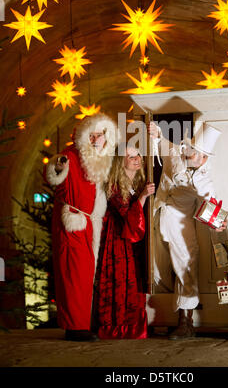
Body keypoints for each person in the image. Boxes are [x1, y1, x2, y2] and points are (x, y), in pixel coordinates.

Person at [149, 121, 228, 340]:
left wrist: (218, 223)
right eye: (190, 148)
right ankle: (159, 317)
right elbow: (160, 141)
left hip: (181, 226)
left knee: (186, 268)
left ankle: (186, 322)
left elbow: (210, 208)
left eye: (195, 152)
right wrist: (155, 132)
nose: (189, 152)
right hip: (157, 219)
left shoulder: (204, 181)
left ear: (204, 158)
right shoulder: (176, 153)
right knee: (156, 269)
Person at [44, 113, 119, 341]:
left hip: (90, 224)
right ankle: (75, 328)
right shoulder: (71, 155)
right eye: (93, 135)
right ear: (85, 136)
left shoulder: (100, 160)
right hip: (73, 222)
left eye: (101, 135)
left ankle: (81, 323)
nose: (97, 139)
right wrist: (58, 166)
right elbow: (56, 173)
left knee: (85, 275)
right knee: (73, 274)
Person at [94, 145, 155, 339]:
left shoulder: (137, 182)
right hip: (117, 241)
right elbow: (128, 217)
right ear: (122, 161)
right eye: (131, 156)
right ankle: (117, 327)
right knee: (119, 280)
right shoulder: (113, 186)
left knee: (135, 281)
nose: (137, 159)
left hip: (133, 242)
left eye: (138, 154)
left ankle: (133, 326)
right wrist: (144, 197)